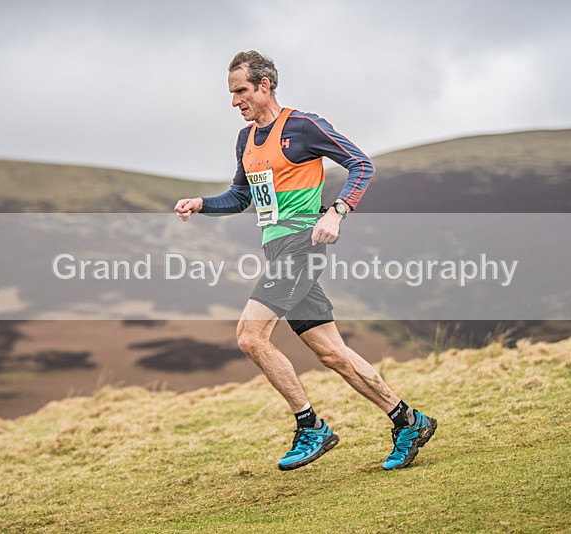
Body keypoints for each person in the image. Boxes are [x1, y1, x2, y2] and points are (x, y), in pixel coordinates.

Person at [174, 50, 436, 471]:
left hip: (302, 247)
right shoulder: (245, 140)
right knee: (332, 353)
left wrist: (337, 211)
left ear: (264, 86)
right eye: (231, 93)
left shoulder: (302, 126)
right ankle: (409, 420)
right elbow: (240, 197)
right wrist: (201, 203)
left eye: (241, 91)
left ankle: (311, 426)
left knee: (250, 336)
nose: (235, 101)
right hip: (277, 250)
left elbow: (361, 164)